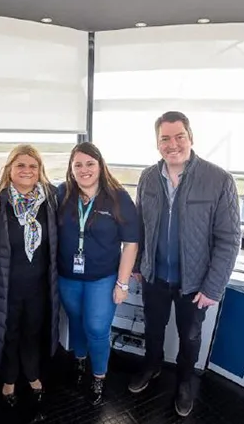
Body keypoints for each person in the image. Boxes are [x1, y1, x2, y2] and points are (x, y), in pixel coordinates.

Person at [128, 111, 241, 417]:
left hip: (194, 283)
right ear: (157, 143)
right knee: (153, 329)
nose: (172, 144)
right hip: (154, 277)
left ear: (191, 138)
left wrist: (213, 288)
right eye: (165, 138)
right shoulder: (148, 177)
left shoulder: (218, 180)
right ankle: (151, 367)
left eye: (179, 136)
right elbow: (139, 224)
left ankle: (185, 382)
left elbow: (229, 240)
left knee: (190, 337)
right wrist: (138, 264)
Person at [0, 144, 60, 409]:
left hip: (38, 286)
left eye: (33, 166)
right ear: (9, 169)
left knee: (32, 332)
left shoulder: (51, 199)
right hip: (3, 286)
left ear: (40, 171)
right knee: (9, 333)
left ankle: (32, 375)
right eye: (20, 165)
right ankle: (9, 379)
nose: (27, 171)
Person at [56, 142, 139, 405]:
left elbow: (131, 243)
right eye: (78, 164)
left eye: (90, 163)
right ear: (71, 169)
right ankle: (80, 362)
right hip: (67, 277)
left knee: (97, 328)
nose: (84, 169)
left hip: (102, 279)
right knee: (77, 322)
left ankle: (99, 376)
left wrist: (122, 284)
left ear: (100, 165)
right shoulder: (62, 193)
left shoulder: (117, 197)